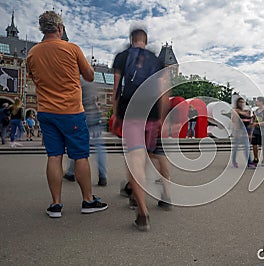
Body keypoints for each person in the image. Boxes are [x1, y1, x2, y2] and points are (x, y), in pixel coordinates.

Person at [27, 11, 107, 218]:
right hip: (71, 111)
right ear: (60, 28)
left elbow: (35, 80)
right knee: (80, 156)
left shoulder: (32, 53)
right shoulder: (72, 48)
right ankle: (88, 200)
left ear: (42, 29)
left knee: (54, 156)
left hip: (46, 111)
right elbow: (89, 76)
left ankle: (55, 205)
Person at [112, 28, 170, 231]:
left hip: (131, 111)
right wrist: (162, 118)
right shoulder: (156, 59)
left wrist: (116, 112)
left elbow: (117, 87)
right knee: (146, 156)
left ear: (131, 40)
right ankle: (139, 194)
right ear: (145, 40)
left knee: (135, 158)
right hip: (152, 113)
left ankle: (142, 210)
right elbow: (164, 91)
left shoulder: (122, 56)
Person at [63, 79, 108, 186]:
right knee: (99, 147)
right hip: (95, 115)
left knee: (77, 145)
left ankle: (71, 172)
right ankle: (103, 175)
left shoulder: (76, 79)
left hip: (82, 115)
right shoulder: (91, 79)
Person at [231, 97, 255, 168]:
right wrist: (237, 131)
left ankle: (249, 162)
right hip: (239, 130)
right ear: (237, 103)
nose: (241, 103)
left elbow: (250, 121)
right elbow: (235, 121)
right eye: (240, 102)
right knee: (236, 148)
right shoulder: (235, 111)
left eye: (242, 102)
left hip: (246, 130)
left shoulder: (246, 111)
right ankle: (234, 161)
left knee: (246, 147)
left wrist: (250, 132)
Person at [251, 96, 264, 167]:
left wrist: (257, 123)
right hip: (255, 130)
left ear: (261, 102)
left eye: (257, 101)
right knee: (254, 144)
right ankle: (256, 158)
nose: (256, 102)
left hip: (263, 131)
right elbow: (253, 119)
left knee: (263, 145)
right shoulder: (256, 111)